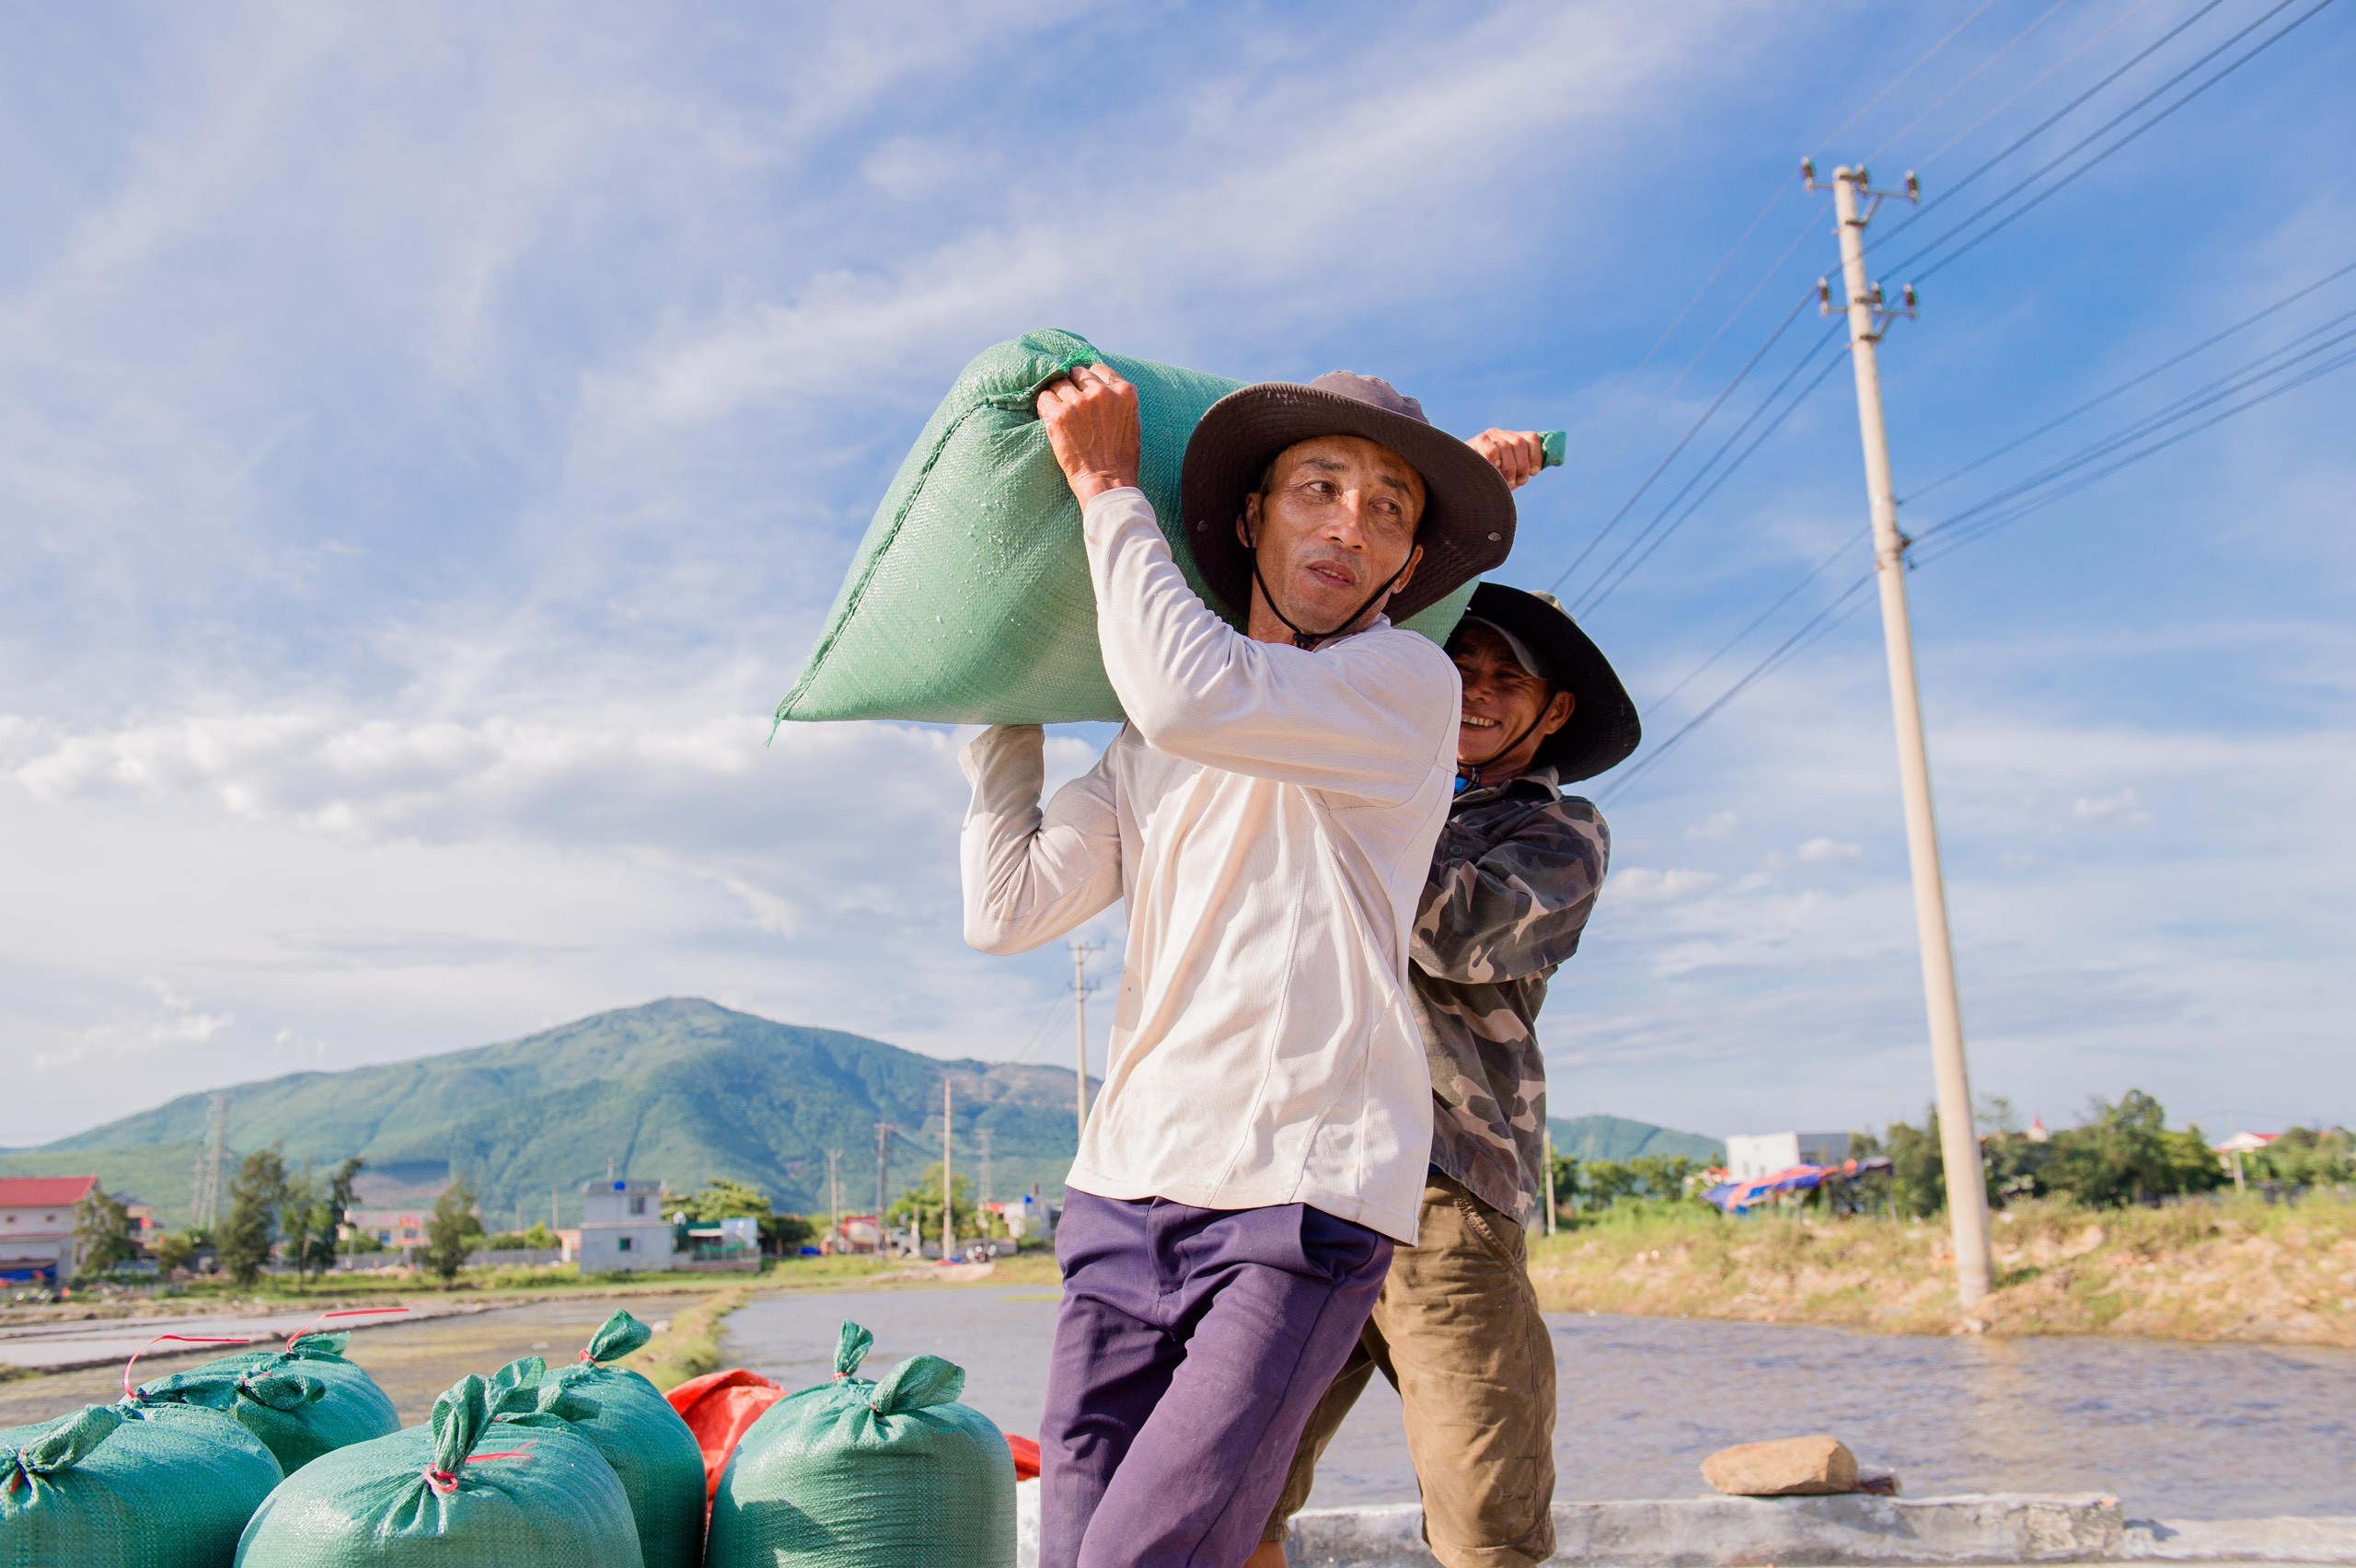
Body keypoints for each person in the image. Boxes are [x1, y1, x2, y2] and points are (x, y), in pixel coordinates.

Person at [959, 363, 1518, 1568]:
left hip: (1296, 1195)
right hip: (1124, 1192)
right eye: (1319, 488)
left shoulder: (1400, 686)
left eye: (1388, 512)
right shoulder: (1156, 736)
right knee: (1072, 1555)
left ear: (1407, 569)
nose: (1349, 527)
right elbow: (1008, 907)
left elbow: (1186, 688)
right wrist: (996, 726)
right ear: (1251, 519)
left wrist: (1107, 487)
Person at [1249, 578, 1639, 1568]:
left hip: (1444, 1193)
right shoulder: (1359, 792)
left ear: (1552, 712)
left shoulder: (1560, 832)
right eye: (1456, 668)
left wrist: (1361, 780)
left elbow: (1460, 936)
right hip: (1295, 1186)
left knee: (1485, 1519)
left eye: (1508, 679)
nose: (1477, 691)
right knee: (1232, 1486)